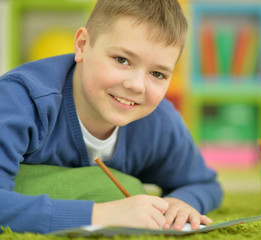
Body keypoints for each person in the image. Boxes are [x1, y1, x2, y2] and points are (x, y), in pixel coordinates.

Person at [0, 0, 223, 234]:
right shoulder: (21, 100)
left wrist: (182, 201)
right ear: (82, 45)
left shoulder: (160, 122)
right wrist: (102, 214)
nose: (136, 86)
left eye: (157, 73)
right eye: (122, 60)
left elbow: (203, 183)